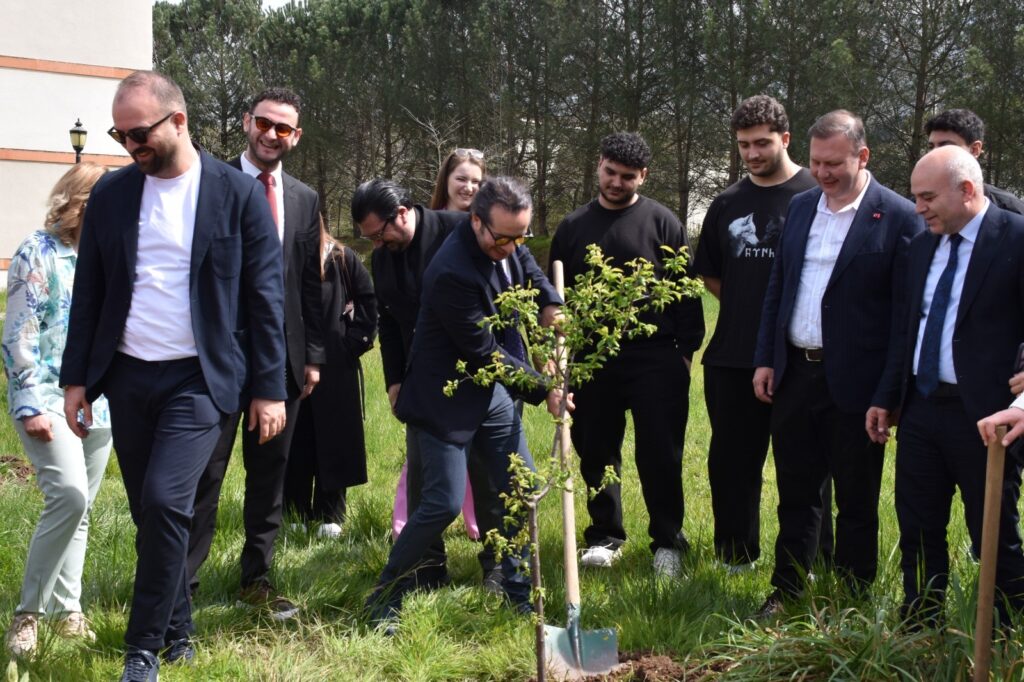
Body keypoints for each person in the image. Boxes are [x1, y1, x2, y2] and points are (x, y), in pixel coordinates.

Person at [60, 70, 286, 682]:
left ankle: (143, 647)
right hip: (128, 377)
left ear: (178, 121)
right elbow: (91, 292)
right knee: (151, 514)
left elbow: (265, 300)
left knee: (165, 501)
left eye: (139, 132)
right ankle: (180, 628)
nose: (129, 145)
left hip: (200, 381)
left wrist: (270, 387)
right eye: (120, 134)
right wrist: (75, 378)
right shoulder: (110, 196)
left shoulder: (235, 196)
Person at [366, 176, 564, 630]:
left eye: (521, 236)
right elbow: (484, 353)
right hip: (444, 396)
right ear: (476, 222)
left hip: (490, 393)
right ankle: (385, 597)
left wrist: (550, 304)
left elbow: (530, 271)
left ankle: (519, 596)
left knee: (523, 489)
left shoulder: (508, 239)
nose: (512, 247)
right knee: (441, 503)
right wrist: (543, 389)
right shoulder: (453, 269)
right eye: (503, 238)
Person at [752, 110, 921, 617]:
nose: (823, 173)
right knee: (796, 494)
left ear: (862, 156)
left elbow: (904, 318)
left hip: (857, 385)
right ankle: (787, 591)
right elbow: (779, 285)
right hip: (795, 374)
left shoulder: (897, 216)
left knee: (856, 500)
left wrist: (887, 394)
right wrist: (767, 357)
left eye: (834, 163)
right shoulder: (802, 207)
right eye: (815, 162)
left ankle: (851, 599)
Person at [868, 146, 1024, 627]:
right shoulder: (921, 246)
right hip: (921, 409)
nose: (918, 208)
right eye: (915, 197)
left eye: (927, 197)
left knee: (993, 532)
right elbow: (905, 330)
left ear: (968, 190)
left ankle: (1004, 629)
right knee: (917, 527)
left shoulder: (1016, 239)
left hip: (987, 416)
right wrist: (887, 397)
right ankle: (920, 624)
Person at [186, 86, 324, 620]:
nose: (271, 134)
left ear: (295, 136)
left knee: (271, 476)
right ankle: (184, 587)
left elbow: (307, 286)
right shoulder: (207, 183)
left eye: (283, 128)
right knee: (205, 476)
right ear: (247, 123)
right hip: (215, 357)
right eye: (263, 123)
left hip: (282, 361)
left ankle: (256, 579)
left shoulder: (304, 199)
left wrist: (312, 355)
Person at [549, 132, 705, 578]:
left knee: (661, 452)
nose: (617, 182)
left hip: (657, 357)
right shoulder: (573, 227)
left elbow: (686, 293)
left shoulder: (662, 222)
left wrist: (683, 355)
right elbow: (557, 301)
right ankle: (604, 536)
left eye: (628, 176)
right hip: (594, 358)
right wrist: (563, 359)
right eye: (610, 172)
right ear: (599, 165)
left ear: (643, 176)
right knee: (596, 450)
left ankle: (668, 542)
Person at [694, 95, 817, 572]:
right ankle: (735, 556)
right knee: (731, 464)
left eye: (762, 143)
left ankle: (807, 562)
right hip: (732, 355)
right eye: (744, 145)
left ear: (785, 139)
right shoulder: (726, 203)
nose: (752, 153)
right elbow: (712, 275)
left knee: (804, 468)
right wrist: (755, 311)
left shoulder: (814, 194)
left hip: (798, 358)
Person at [3, 163, 112, 658]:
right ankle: (27, 615)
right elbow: (19, 334)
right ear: (81, 202)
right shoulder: (37, 251)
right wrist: (29, 404)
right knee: (67, 496)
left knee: (82, 510)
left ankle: (69, 611)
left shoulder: (106, 254)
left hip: (100, 404)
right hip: (47, 398)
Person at [387, 148, 503, 588]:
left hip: (483, 371)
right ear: (445, 181)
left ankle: (496, 560)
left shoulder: (494, 236)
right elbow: (393, 316)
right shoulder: (418, 234)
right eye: (461, 179)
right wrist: (396, 378)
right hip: (432, 377)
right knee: (427, 478)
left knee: (491, 474)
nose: (469, 187)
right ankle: (423, 562)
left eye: (476, 180)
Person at [283, 220, 377, 536]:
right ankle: (293, 510)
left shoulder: (341, 257)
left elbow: (367, 301)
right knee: (296, 438)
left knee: (335, 438)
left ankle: (330, 514)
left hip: (337, 367)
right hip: (293, 363)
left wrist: (349, 345)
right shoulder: (284, 256)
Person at [924, 109, 1024, 214]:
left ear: (974, 149)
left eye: (946, 146)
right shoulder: (917, 209)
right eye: (931, 147)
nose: (934, 154)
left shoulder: (1012, 212)